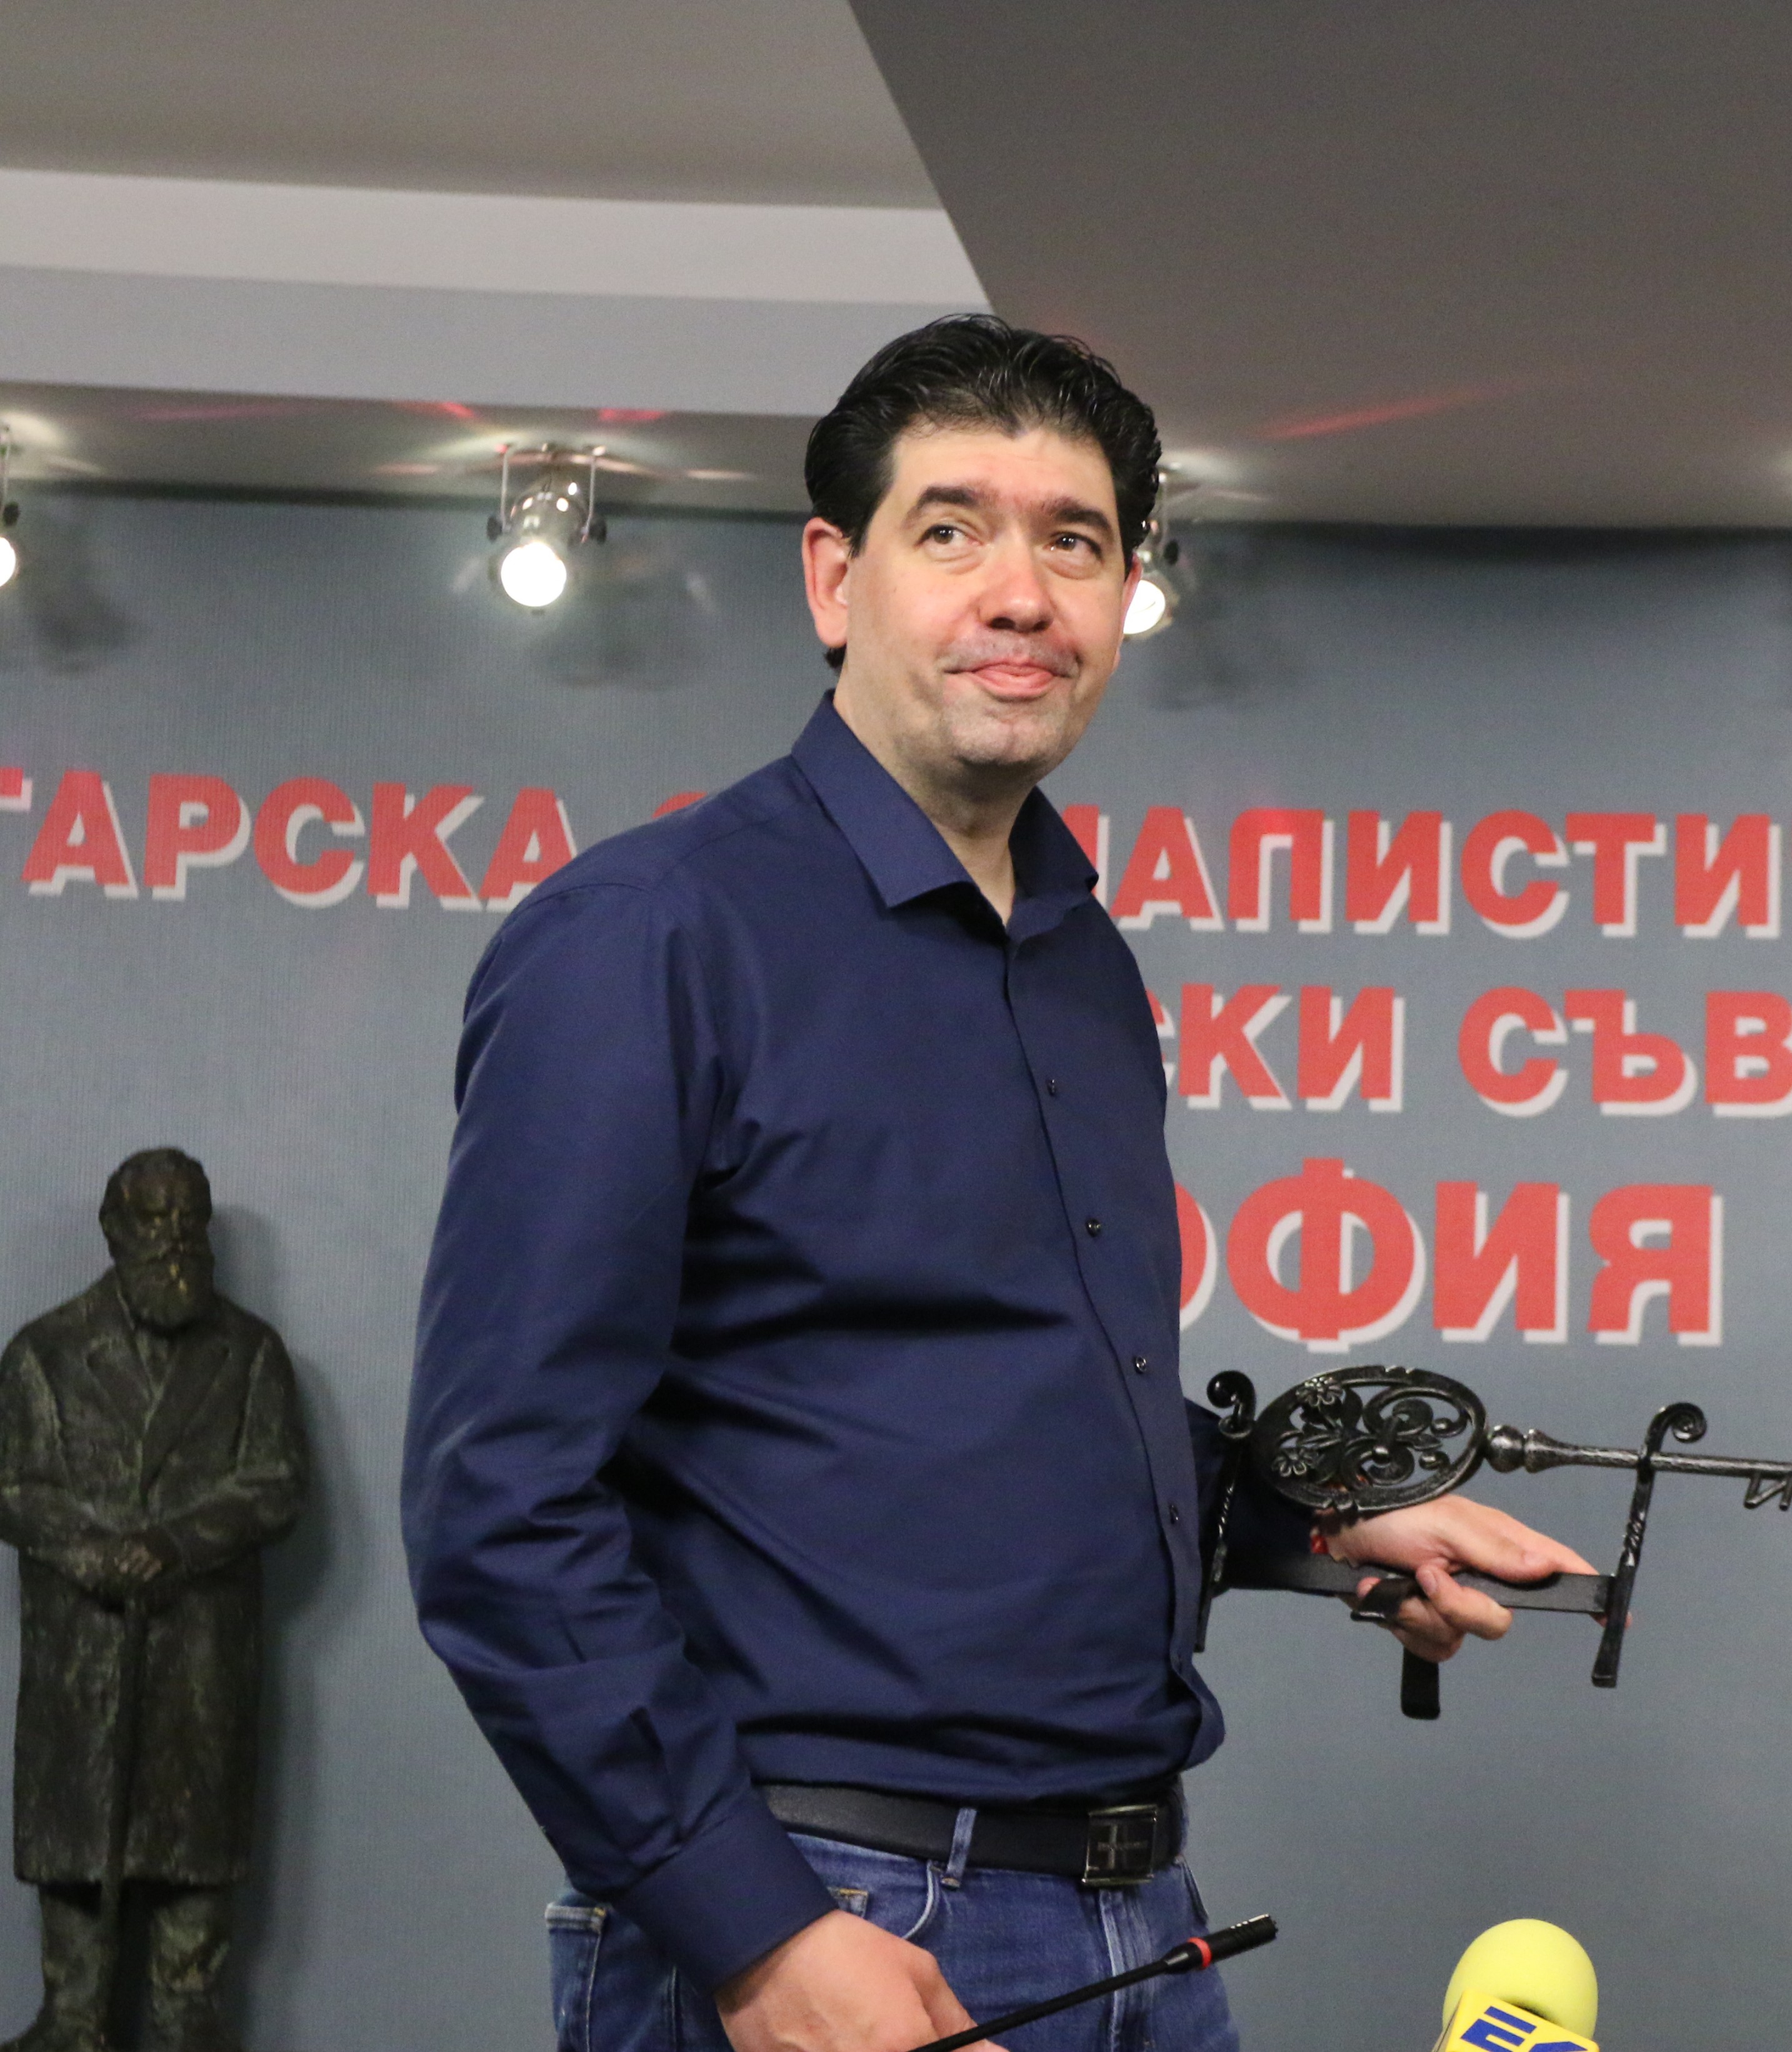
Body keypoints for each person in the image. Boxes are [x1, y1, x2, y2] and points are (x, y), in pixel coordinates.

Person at [403, 315, 1590, 2052]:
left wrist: (1315, 1523)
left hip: (1136, 1913)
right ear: (836, 579)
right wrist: (751, 1929)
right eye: (951, 529)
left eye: (1075, 541)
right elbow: (498, 1502)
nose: (1021, 594)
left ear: (1123, 592)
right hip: (833, 1909)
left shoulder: (1078, 961)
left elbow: (997, 1406)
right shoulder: (649, 935)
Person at [0, 1149, 308, 2052]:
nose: (176, 1239)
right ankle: (73, 2014)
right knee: (74, 1823)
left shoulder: (251, 1352)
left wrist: (174, 1543)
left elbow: (276, 1482)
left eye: (190, 1220)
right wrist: (87, 1552)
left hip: (201, 1636)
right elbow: (13, 1485)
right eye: (155, 1219)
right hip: (82, 1638)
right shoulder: (45, 1352)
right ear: (113, 1230)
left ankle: (187, 2012)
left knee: (193, 1831)